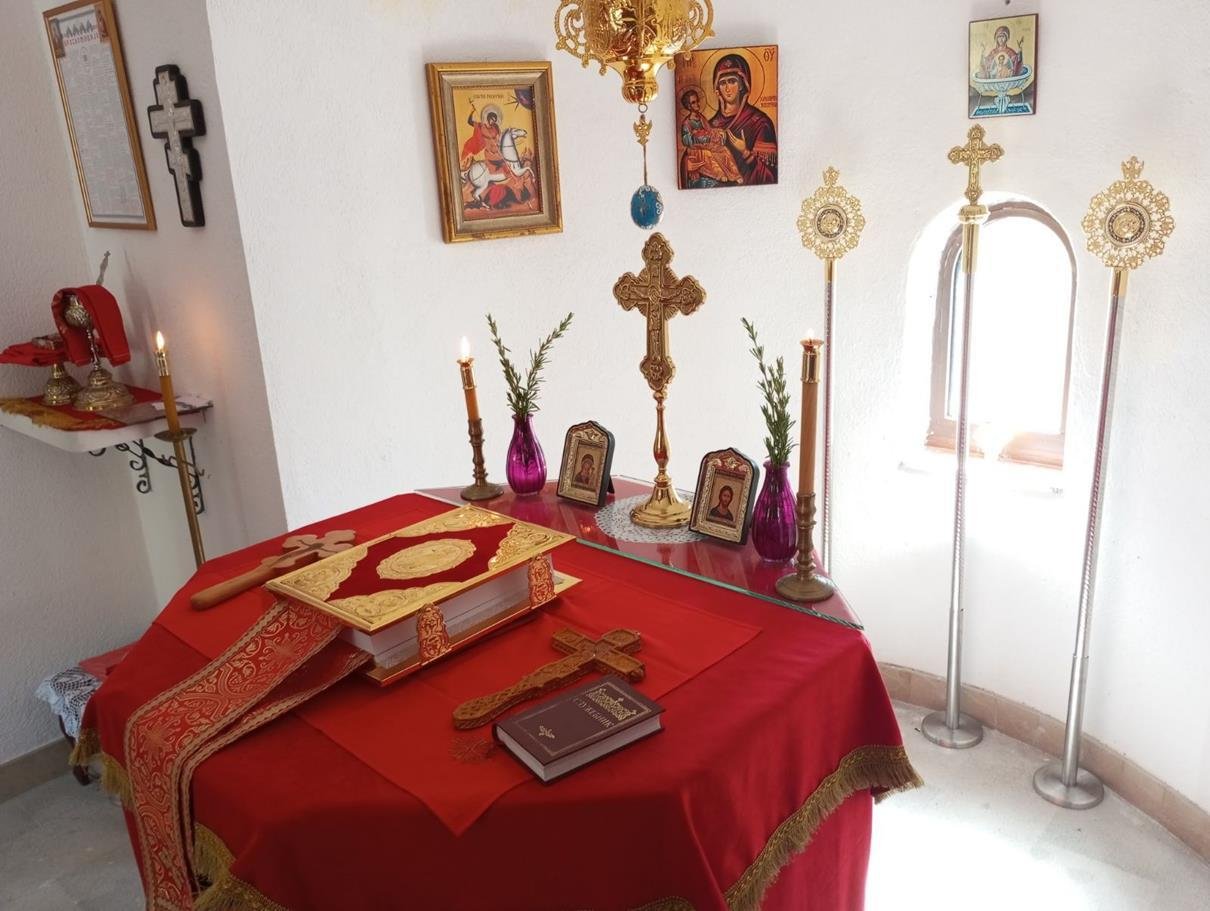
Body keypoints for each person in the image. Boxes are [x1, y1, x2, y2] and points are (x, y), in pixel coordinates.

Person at [708, 54, 777, 186]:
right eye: (722, 83)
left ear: (741, 85)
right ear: (717, 89)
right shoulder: (711, 125)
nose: (727, 88)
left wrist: (745, 152)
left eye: (732, 81)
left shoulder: (760, 123)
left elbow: (769, 177)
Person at [678, 88, 742, 188]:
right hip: (695, 149)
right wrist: (698, 137)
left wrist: (717, 133)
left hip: (706, 144)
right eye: (693, 102)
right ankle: (719, 174)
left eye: (697, 101)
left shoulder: (701, 118)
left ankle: (734, 174)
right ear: (689, 106)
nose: (697, 104)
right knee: (708, 154)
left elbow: (709, 130)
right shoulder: (687, 122)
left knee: (723, 150)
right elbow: (686, 141)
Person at [460, 103, 503, 172]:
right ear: (488, 118)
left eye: (494, 120)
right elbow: (469, 122)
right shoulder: (481, 126)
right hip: (477, 146)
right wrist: (472, 111)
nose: (493, 121)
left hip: (492, 148)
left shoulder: (495, 128)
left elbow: (499, 136)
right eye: (492, 119)